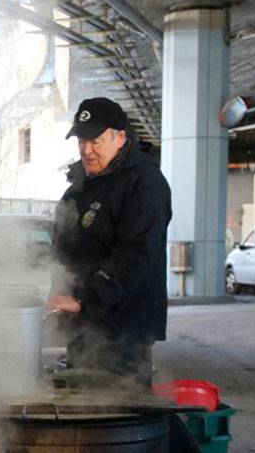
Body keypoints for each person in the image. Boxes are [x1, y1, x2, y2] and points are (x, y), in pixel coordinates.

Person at [48, 97, 172, 387]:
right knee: (82, 406)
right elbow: (62, 250)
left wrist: (86, 299)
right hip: (83, 323)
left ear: (119, 137)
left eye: (96, 141)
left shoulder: (145, 183)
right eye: (81, 140)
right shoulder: (80, 187)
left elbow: (136, 254)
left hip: (124, 327)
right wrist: (59, 293)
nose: (86, 150)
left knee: (120, 412)